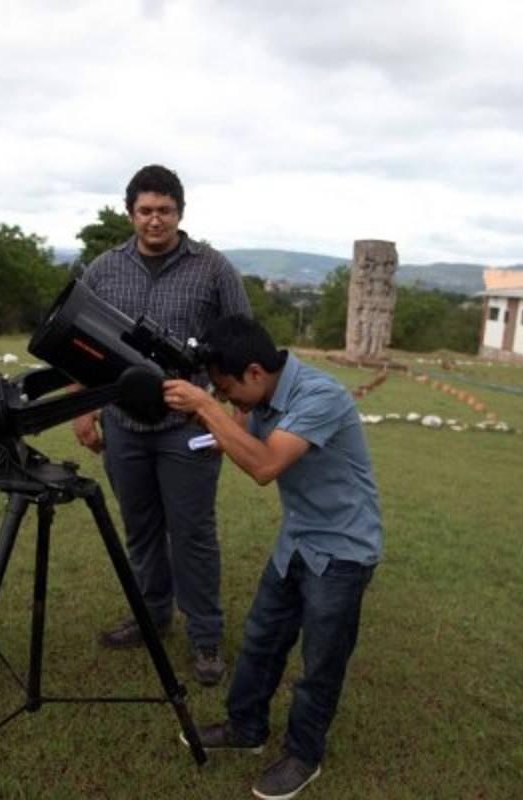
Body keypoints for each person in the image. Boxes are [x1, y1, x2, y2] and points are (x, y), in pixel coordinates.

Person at [163, 315, 383, 800]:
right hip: (298, 539)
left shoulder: (319, 397)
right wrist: (207, 418)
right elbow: (240, 438)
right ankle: (246, 728)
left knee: (320, 661)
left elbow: (263, 465)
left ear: (256, 372)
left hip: (343, 549)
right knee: (262, 640)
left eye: (226, 389)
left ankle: (304, 755)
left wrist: (205, 405)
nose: (225, 398)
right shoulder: (261, 395)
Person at [72, 164, 251, 685]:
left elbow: (240, 341)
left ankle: (206, 636)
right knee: (141, 526)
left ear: (180, 213)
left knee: (193, 532)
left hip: (188, 424)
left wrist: (234, 416)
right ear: (131, 214)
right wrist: (83, 408)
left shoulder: (214, 270)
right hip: (123, 422)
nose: (155, 220)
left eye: (165, 210)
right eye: (146, 211)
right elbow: (83, 344)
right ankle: (151, 616)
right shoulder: (103, 269)